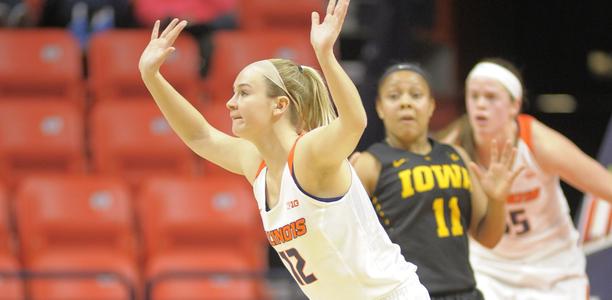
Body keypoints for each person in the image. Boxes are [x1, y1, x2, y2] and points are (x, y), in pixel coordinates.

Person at [138, 0, 430, 299]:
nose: (231, 103)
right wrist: (153, 77)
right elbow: (200, 136)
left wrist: (326, 56)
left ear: (280, 105)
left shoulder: (309, 155)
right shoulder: (257, 164)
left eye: (244, 92)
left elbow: (354, 123)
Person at [438, 58, 612, 299]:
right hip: (487, 270)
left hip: (552, 267)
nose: (480, 105)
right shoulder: (452, 148)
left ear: (514, 105)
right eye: (474, 96)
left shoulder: (539, 143)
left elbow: (606, 187)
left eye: (490, 97)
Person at [352, 63, 523, 299]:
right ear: (380, 108)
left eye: (416, 95)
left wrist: (497, 200)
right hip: (409, 294)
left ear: (431, 105)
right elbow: (348, 242)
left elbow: (488, 238)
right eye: (393, 96)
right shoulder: (369, 163)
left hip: (466, 292)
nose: (405, 102)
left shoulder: (456, 155)